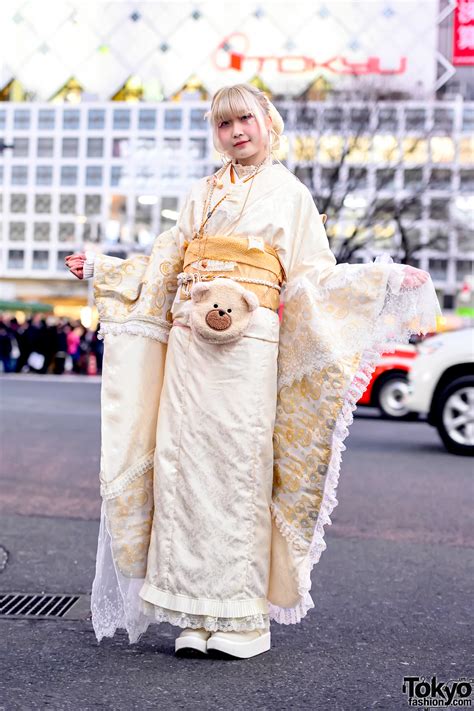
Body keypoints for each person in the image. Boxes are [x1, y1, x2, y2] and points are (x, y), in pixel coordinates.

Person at [65, 83, 441, 659]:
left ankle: (242, 619)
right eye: (223, 124)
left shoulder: (289, 194)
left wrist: (383, 278)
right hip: (192, 345)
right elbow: (164, 264)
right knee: (181, 466)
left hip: (248, 348)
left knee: (237, 466)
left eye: (245, 119)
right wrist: (104, 267)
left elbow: (315, 276)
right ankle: (191, 610)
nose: (236, 131)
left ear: (269, 122)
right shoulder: (201, 194)